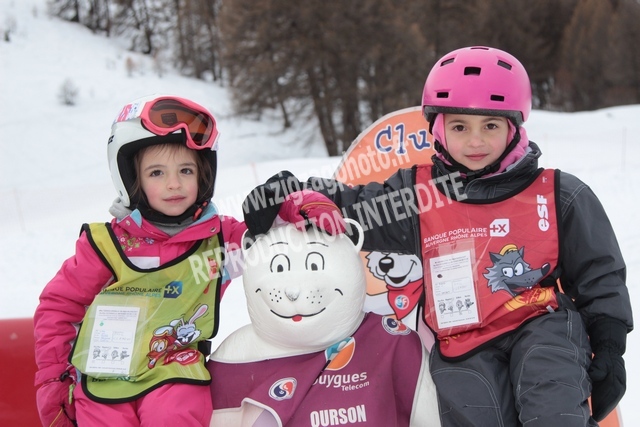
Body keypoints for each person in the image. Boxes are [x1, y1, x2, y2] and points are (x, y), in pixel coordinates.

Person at [242, 46, 633, 427]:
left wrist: (610, 347)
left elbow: (600, 275)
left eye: (491, 126)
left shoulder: (557, 194)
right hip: (462, 344)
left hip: (541, 325)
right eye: (460, 127)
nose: (475, 141)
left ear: (514, 128)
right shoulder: (419, 196)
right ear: (439, 129)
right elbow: (353, 207)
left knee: (551, 405)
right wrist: (290, 195)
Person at [34, 94, 246, 426]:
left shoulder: (218, 243)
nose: (174, 184)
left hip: (176, 374)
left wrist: (297, 205)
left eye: (186, 170)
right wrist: (54, 379)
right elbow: (59, 307)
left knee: (172, 416)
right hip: (104, 381)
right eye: (157, 172)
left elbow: (275, 246)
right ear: (132, 180)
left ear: (203, 175)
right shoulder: (105, 247)